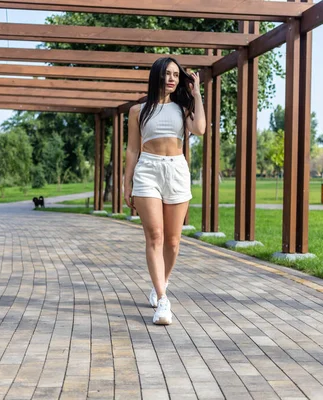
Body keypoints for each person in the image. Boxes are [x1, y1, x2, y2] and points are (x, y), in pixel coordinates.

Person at [123, 57, 206, 325]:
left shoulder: (183, 109)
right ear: (157, 75)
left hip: (176, 171)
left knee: (173, 241)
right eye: (167, 73)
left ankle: (162, 282)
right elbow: (133, 149)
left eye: (176, 75)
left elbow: (201, 129)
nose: (172, 78)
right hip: (147, 171)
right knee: (155, 236)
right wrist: (128, 183)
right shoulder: (139, 110)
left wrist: (197, 94)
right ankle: (163, 299)